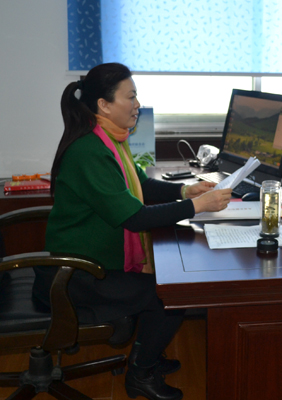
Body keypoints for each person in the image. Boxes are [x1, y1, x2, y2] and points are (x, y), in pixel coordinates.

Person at [33, 62, 232, 400]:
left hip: (93, 262)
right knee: (169, 295)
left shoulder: (110, 138)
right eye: (131, 97)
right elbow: (135, 218)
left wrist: (185, 191)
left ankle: (147, 354)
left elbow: (141, 184)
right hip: (77, 274)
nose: (137, 104)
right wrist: (198, 206)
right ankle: (141, 373)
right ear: (104, 105)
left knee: (169, 282)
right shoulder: (89, 150)